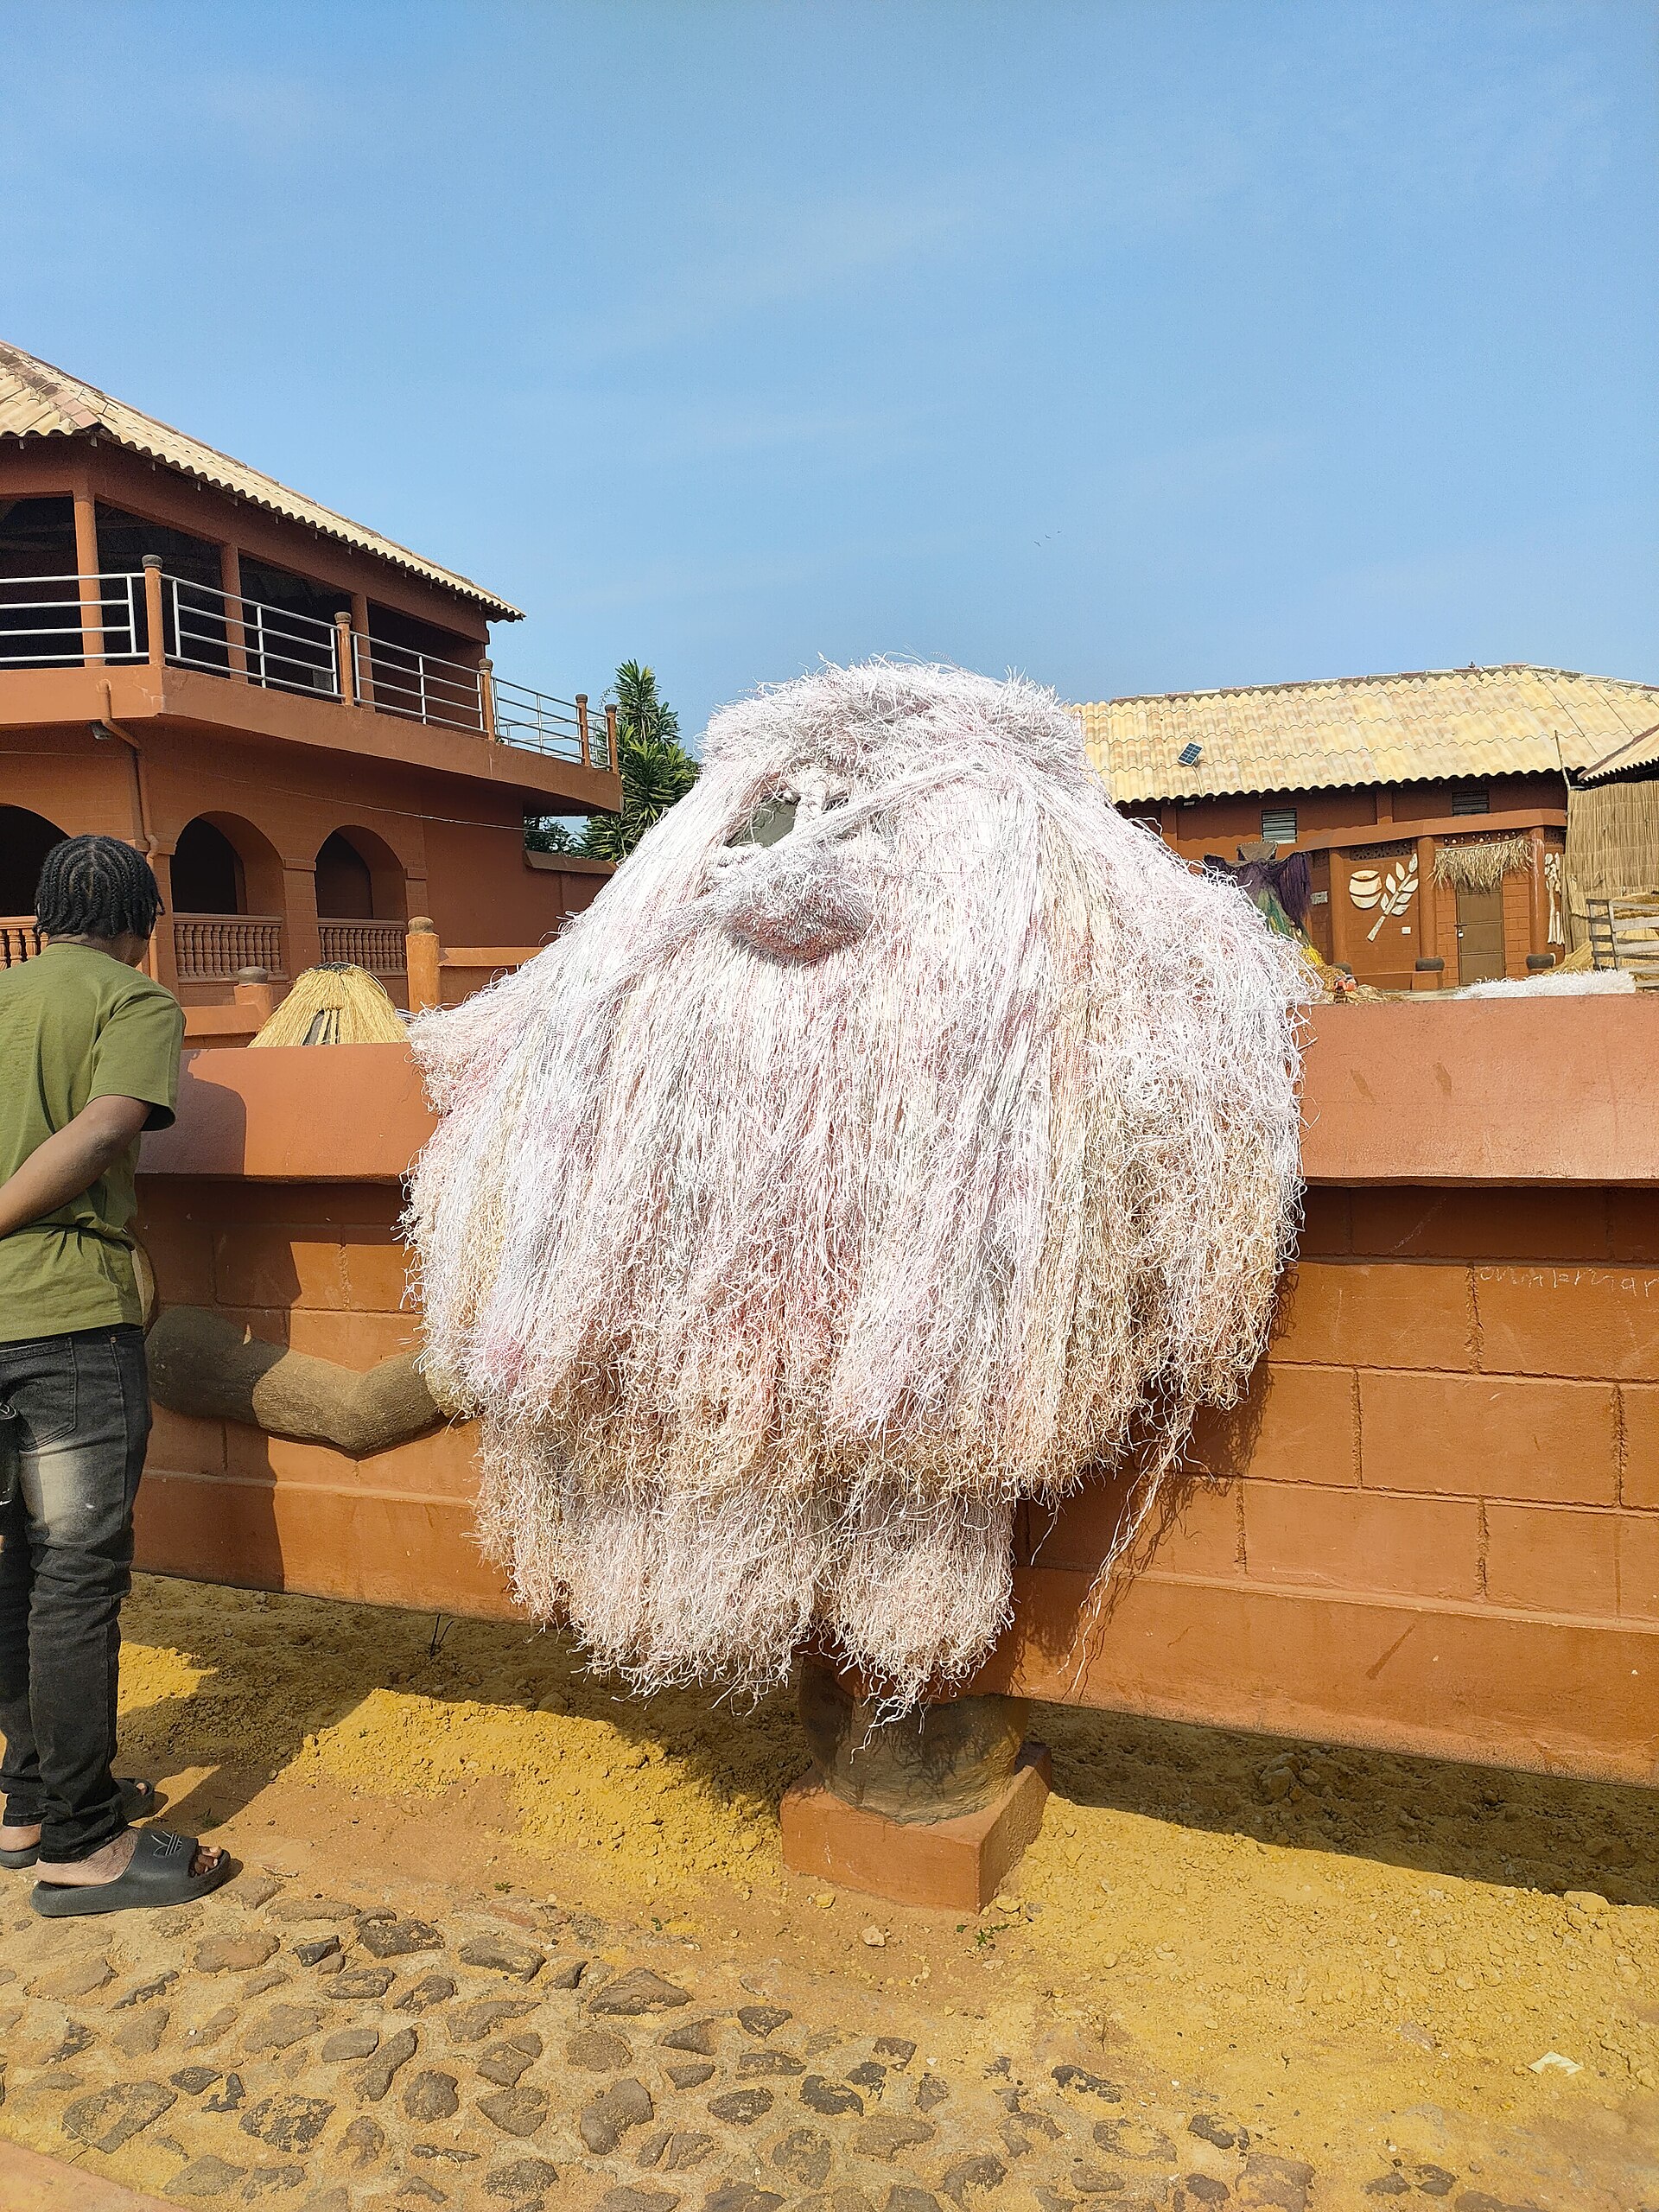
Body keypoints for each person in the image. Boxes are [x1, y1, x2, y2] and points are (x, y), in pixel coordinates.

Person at [0, 835, 230, 1915]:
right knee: (74, 1577)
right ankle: (83, 1848)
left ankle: (31, 1800)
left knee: (9, 1570)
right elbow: (102, 1133)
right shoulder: (134, 1002)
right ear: (142, 922)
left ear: (44, 916)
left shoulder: (5, 996)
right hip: (65, 1326)